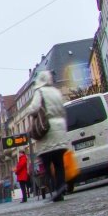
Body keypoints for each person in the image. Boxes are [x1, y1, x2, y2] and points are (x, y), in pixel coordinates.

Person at [23, 70, 69, 202]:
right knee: (59, 163)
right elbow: (63, 110)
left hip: (46, 131)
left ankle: (55, 190)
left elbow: (33, 108)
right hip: (59, 129)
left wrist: (30, 112)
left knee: (46, 163)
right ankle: (61, 187)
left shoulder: (40, 92)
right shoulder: (56, 92)